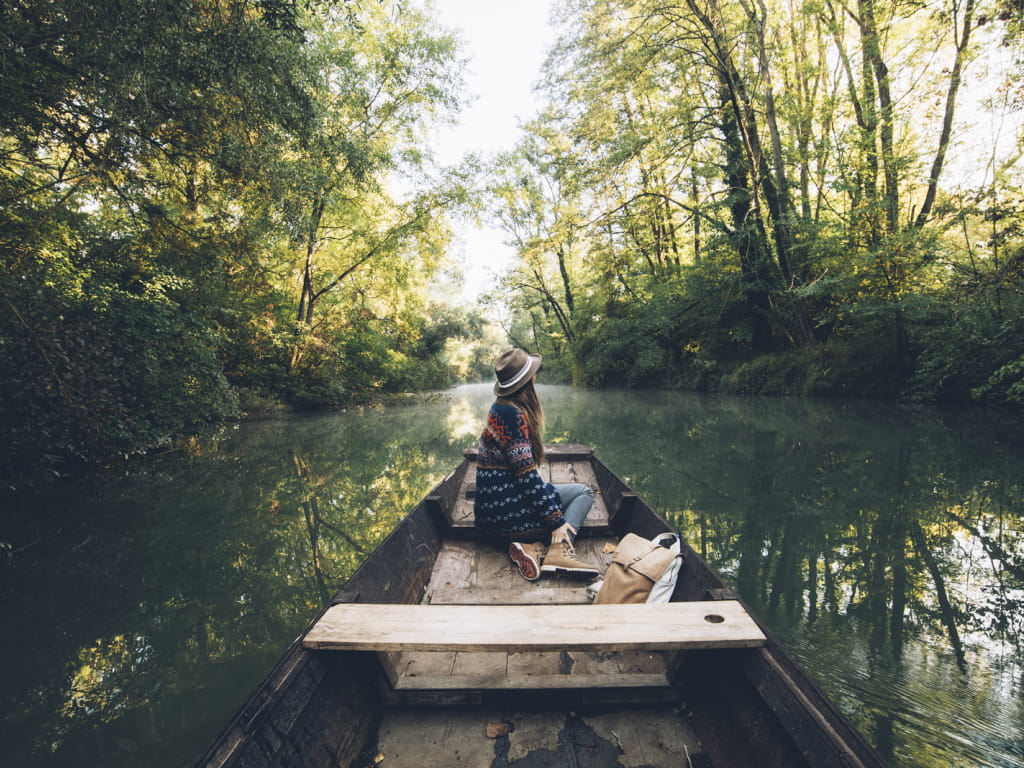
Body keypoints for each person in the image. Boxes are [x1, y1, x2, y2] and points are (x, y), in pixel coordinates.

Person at [473, 348, 600, 581]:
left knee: (551, 491)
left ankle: (530, 547)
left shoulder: (498, 409)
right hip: (508, 517)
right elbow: (527, 477)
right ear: (528, 380)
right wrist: (556, 522)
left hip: (487, 517)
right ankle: (558, 551)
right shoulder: (513, 415)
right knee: (584, 492)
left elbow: (522, 476)